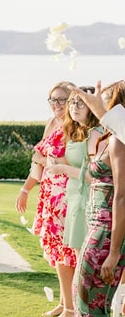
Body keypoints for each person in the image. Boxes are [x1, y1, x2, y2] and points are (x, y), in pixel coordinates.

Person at [53, 80, 125, 317]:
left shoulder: (121, 143)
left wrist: (112, 253)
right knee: (85, 306)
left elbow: (123, 198)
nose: (99, 104)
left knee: (92, 309)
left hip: (108, 235)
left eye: (105, 99)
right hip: (95, 231)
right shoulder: (110, 138)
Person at [16, 81, 77, 317]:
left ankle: (71, 309)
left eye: (62, 99)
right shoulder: (51, 123)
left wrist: (47, 157)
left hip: (65, 195)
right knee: (55, 249)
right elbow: (38, 163)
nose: (57, 105)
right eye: (53, 99)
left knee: (65, 252)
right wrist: (26, 189)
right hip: (48, 194)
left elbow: (75, 162)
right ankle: (63, 302)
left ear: (72, 100)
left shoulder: (76, 127)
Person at [45, 88, 103, 260]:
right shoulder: (77, 131)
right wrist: (56, 161)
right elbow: (78, 162)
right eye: (72, 102)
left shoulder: (95, 134)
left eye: (81, 103)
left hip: (87, 201)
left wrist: (62, 169)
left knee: (87, 260)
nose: (74, 107)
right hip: (74, 200)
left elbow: (93, 175)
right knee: (80, 258)